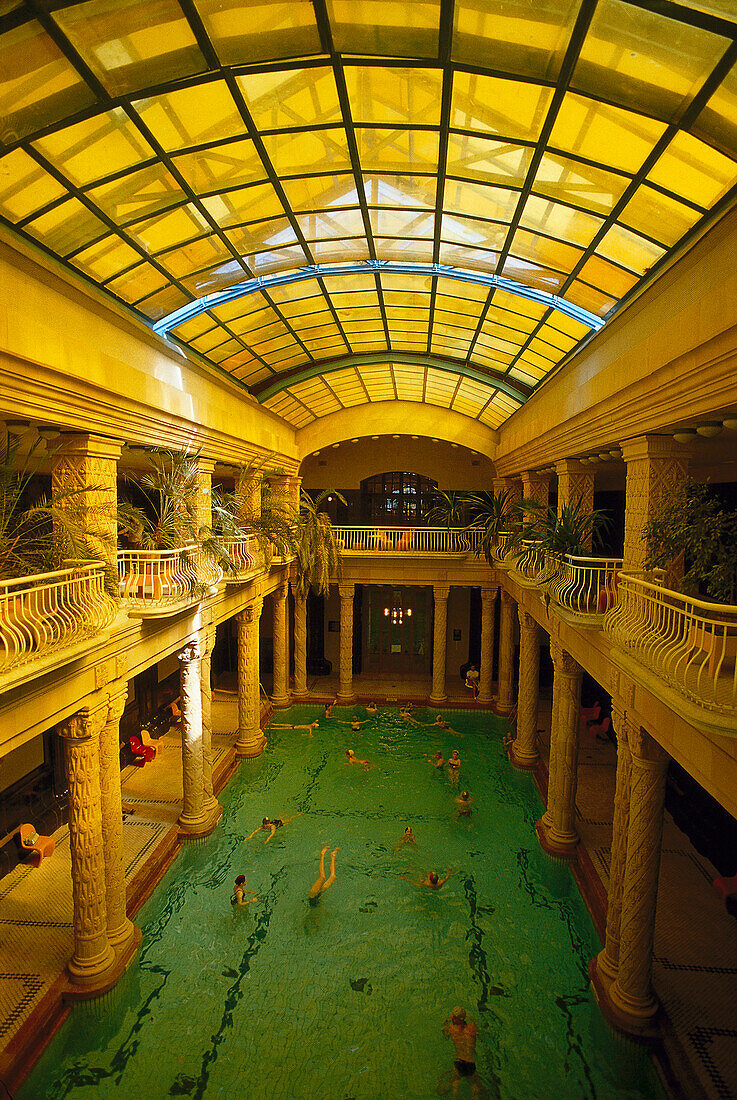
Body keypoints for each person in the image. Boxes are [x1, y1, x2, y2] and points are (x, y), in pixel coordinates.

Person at [440, 1007, 487, 1099]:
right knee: (475, 1087)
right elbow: (477, 1027)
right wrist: (468, 1016)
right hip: (471, 1064)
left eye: (453, 1017)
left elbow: (444, 1035)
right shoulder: (472, 1028)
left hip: (459, 1062)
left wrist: (446, 1020)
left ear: (458, 1019)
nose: (452, 1018)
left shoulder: (452, 1029)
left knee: (452, 1084)